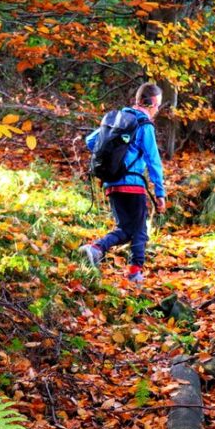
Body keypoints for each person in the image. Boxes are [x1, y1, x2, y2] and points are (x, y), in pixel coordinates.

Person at [80, 82, 167, 284]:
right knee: (139, 231)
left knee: (127, 229)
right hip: (133, 184)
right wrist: (160, 192)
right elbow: (154, 161)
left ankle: (95, 249)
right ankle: (135, 273)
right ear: (152, 103)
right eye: (158, 106)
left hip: (112, 183)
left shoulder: (117, 119)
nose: (157, 110)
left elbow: (90, 142)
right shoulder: (144, 125)